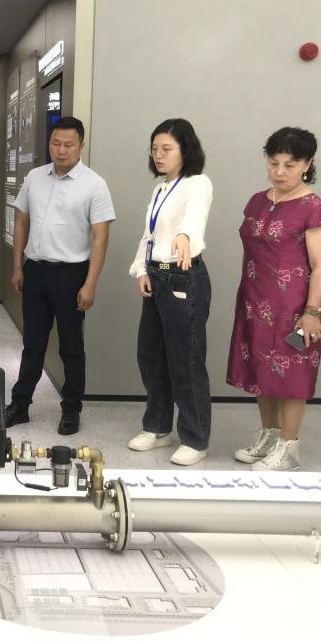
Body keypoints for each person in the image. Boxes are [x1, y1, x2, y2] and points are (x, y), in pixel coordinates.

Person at [228, 127, 321, 472]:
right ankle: (270, 435)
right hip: (255, 298)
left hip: (293, 305)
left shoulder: (313, 208)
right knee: (262, 368)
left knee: (291, 373)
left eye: (290, 164)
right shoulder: (258, 200)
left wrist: (312, 311)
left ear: (307, 164)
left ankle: (289, 447)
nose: (280, 171)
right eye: (274, 163)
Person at [5, 117, 116, 435]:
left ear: (81, 146)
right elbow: (21, 221)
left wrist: (90, 284)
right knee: (32, 343)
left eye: (69, 144)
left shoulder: (94, 184)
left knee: (71, 346)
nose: (61, 150)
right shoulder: (35, 177)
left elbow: (101, 238)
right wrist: (18, 267)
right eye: (56, 143)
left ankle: (71, 409)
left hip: (72, 275)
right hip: (36, 271)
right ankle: (20, 405)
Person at [128, 118, 213, 466]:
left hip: (183, 277)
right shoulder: (161, 189)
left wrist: (185, 236)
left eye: (166, 149)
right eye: (154, 149)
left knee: (185, 360)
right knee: (151, 356)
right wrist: (141, 269)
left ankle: (195, 438)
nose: (158, 155)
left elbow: (194, 218)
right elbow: (149, 235)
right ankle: (158, 427)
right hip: (157, 276)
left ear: (185, 150)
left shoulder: (198, 183)